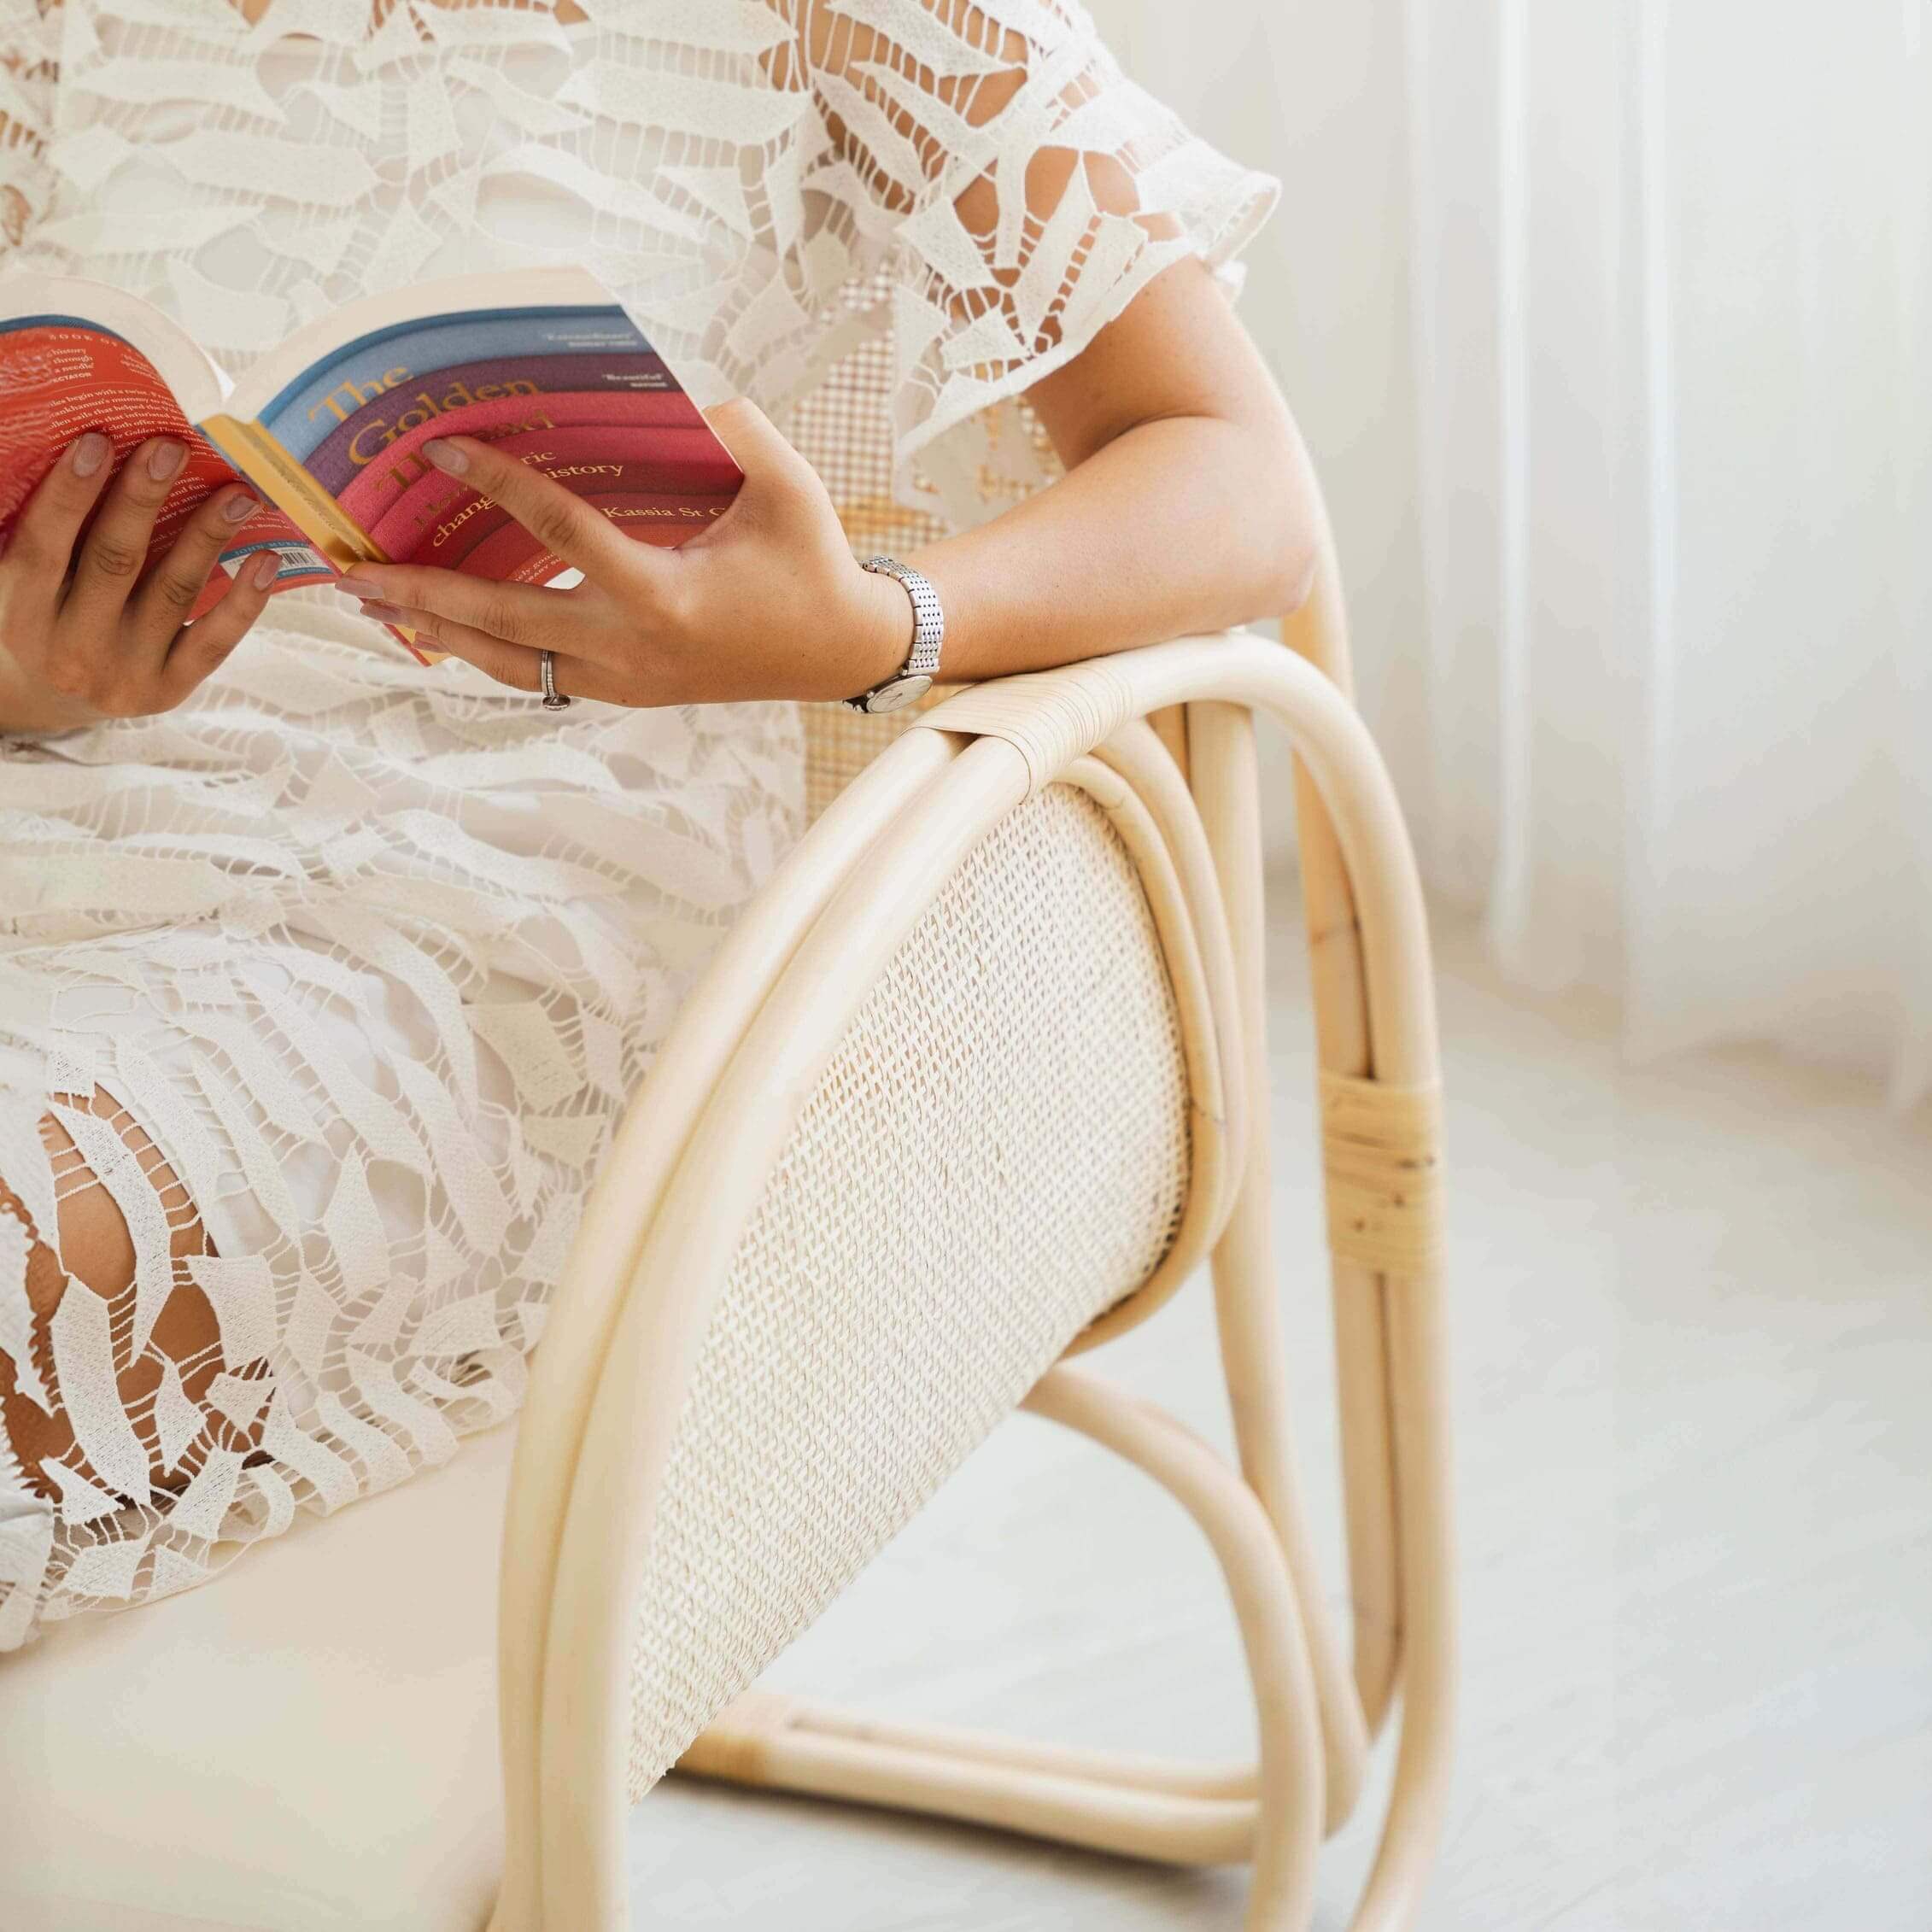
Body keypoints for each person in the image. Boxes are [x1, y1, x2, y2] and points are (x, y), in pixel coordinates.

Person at [0, 0, 1315, 1649]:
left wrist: (869, 629)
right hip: (57, 798)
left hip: (504, 890)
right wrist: (22, 670)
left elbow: (1240, 482)